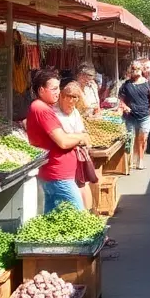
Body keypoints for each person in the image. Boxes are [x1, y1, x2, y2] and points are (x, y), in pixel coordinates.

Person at [25, 69, 91, 212]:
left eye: (58, 88)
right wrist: (81, 137)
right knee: (78, 217)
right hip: (57, 174)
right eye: (54, 88)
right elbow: (63, 141)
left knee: (54, 219)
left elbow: (63, 136)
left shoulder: (43, 107)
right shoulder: (41, 109)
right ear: (41, 90)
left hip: (56, 174)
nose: (57, 92)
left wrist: (78, 137)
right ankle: (90, 236)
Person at [56, 82, 95, 210]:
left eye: (75, 98)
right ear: (62, 96)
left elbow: (81, 133)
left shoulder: (75, 112)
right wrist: (79, 138)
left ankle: (86, 214)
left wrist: (78, 138)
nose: (72, 102)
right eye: (69, 97)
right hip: (63, 155)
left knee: (82, 184)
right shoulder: (54, 113)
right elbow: (65, 137)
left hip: (76, 154)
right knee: (73, 187)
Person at [119, 61, 150, 169]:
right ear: (131, 70)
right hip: (130, 116)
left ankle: (140, 160)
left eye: (138, 69)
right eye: (134, 69)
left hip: (144, 116)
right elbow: (121, 99)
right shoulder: (126, 84)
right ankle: (130, 160)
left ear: (141, 70)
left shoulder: (148, 83)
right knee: (130, 139)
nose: (136, 71)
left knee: (142, 139)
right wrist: (125, 106)